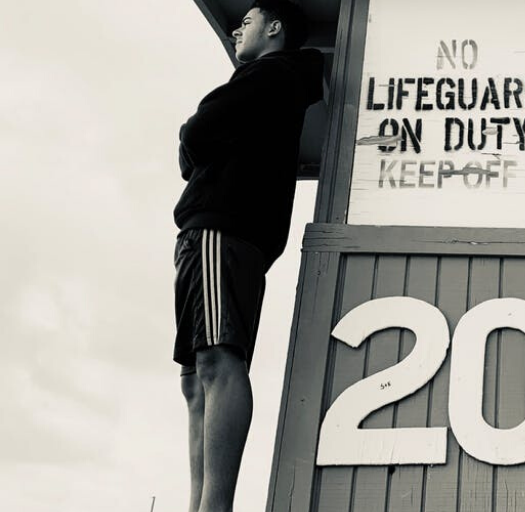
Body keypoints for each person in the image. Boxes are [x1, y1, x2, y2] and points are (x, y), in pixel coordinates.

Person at [173, 1, 323, 511]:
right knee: (196, 379)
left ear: (275, 29)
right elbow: (197, 141)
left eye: (249, 21)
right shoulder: (270, 81)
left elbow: (193, 136)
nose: (239, 29)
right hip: (214, 232)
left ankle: (215, 507)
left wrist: (195, 146)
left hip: (223, 225)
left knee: (217, 359)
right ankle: (199, 505)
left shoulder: (271, 74)